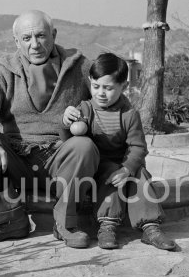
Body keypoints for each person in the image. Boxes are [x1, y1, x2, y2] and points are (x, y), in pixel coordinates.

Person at [0, 10, 100, 247]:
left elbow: (108, 102)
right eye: (26, 38)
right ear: (17, 41)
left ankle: (65, 223)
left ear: (53, 35)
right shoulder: (3, 69)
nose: (35, 45)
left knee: (84, 146)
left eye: (41, 36)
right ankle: (7, 220)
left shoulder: (79, 66)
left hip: (60, 159)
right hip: (15, 160)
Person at [62, 53, 176, 251]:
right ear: (90, 82)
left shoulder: (129, 114)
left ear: (123, 86)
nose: (100, 93)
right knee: (110, 175)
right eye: (96, 86)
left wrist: (128, 169)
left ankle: (151, 228)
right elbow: (70, 142)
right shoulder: (86, 109)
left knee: (141, 176)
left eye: (108, 88)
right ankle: (107, 225)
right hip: (99, 167)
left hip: (125, 164)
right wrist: (66, 122)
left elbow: (139, 147)